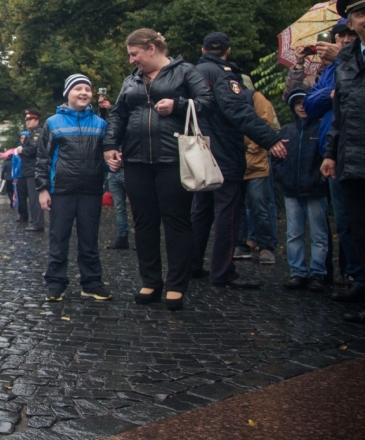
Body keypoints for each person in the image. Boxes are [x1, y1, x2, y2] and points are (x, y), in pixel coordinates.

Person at [103, 29, 213, 310]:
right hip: (137, 161)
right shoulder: (131, 81)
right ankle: (150, 280)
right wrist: (111, 144)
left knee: (176, 221)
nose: (131, 61)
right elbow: (118, 114)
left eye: (134, 54)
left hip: (173, 159)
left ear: (152, 49)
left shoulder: (185, 72)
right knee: (144, 222)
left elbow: (209, 102)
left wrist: (179, 105)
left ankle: (177, 284)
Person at [189, 32, 286, 290]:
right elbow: (238, 111)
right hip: (224, 152)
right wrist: (270, 139)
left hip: (199, 152)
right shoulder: (224, 75)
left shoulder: (191, 74)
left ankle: (192, 264)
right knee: (227, 212)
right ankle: (223, 271)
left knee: (200, 211)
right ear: (228, 51)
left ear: (203, 49)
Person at [303, 18, 364, 300]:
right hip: (341, 151)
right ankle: (356, 276)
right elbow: (309, 104)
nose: (346, 39)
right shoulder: (334, 70)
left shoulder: (346, 62)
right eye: (342, 35)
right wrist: (330, 154)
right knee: (348, 220)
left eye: (350, 35)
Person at [36, 74, 111, 302]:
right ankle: (55, 284)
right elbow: (43, 158)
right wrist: (42, 189)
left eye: (87, 89)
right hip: (62, 191)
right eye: (78, 88)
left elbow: (107, 155)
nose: (83, 93)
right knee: (59, 238)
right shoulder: (53, 123)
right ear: (67, 93)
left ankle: (92, 283)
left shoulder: (101, 124)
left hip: (91, 190)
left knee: (89, 240)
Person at [321, 0, 365, 323]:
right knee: (356, 225)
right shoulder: (347, 59)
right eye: (360, 14)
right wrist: (331, 153)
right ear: (349, 23)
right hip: (353, 156)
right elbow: (341, 113)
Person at [276, 89, 329, 292]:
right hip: (291, 189)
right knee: (294, 233)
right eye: (297, 103)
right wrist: (282, 175)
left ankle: (317, 273)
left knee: (319, 234)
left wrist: (321, 179)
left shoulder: (320, 128)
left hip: (315, 190)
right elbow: (277, 157)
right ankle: (297, 272)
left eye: (304, 102)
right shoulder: (287, 130)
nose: (301, 107)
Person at [237, 84, 281, 265]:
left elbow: (265, 126)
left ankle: (267, 246)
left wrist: (250, 150)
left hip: (257, 165)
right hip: (235, 165)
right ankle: (240, 244)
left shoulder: (256, 98)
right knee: (237, 208)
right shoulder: (225, 99)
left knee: (260, 206)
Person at [97, 92, 129, 250]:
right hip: (113, 170)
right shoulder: (108, 127)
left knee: (138, 206)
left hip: (129, 169)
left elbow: (122, 119)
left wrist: (110, 108)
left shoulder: (128, 124)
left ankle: (143, 237)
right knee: (119, 207)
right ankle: (123, 237)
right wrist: (102, 110)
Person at [19, 109, 45, 231]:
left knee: (35, 199)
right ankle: (35, 221)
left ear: (37, 120)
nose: (28, 122)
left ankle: (37, 223)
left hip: (34, 169)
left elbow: (34, 148)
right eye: (27, 120)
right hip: (30, 169)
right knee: (32, 198)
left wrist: (22, 151)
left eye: (30, 120)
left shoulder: (37, 133)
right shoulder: (31, 134)